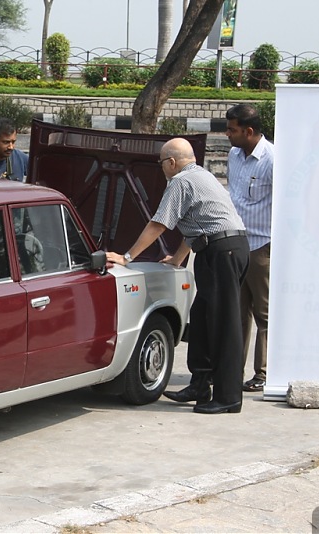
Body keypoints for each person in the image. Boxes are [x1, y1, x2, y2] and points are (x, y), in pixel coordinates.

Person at [106, 138, 249, 414]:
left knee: (223, 324)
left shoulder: (181, 181)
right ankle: (200, 385)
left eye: (161, 163)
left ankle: (229, 396)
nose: (161, 168)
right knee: (204, 317)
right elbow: (197, 225)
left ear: (171, 162)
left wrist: (126, 257)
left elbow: (158, 224)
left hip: (222, 251)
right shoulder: (202, 176)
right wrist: (178, 258)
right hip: (220, 248)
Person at [225, 104, 274, 393]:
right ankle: (233, 370)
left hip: (262, 248)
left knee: (264, 314)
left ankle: (264, 373)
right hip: (236, 243)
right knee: (237, 312)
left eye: (232, 130)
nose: (228, 135)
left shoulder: (272, 159)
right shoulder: (234, 155)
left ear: (250, 131)